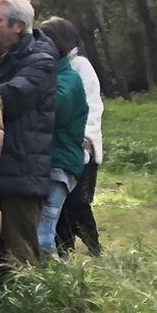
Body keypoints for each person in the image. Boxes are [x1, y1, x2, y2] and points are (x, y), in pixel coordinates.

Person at [0, 0, 57, 271]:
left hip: (21, 172)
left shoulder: (41, 60)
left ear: (18, 26)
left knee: (20, 256)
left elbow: (11, 97)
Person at [43, 17, 104, 256]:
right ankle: (64, 251)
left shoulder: (79, 66)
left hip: (79, 149)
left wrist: (86, 141)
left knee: (77, 203)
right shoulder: (48, 66)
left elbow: (91, 105)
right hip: (59, 148)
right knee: (64, 207)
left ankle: (93, 246)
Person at [39, 39, 89, 257]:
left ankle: (57, 286)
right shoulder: (57, 77)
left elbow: (55, 111)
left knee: (43, 235)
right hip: (47, 163)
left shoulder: (68, 79)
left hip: (60, 163)